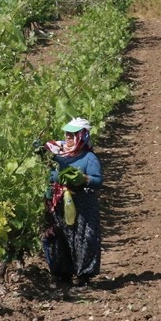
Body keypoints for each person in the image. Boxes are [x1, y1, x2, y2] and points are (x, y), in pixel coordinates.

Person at [40, 117, 103, 291]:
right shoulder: (55, 152)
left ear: (82, 136)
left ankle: (84, 276)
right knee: (59, 236)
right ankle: (63, 275)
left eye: (73, 134)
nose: (68, 137)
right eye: (67, 133)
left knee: (84, 237)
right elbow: (42, 160)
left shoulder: (89, 158)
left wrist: (83, 179)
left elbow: (98, 181)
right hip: (59, 203)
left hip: (83, 204)